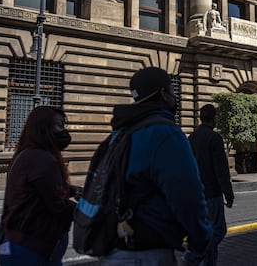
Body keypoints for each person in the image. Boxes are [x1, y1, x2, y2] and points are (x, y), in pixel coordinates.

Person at [99, 67, 212, 265]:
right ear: (163, 93)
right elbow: (188, 196)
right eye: (172, 90)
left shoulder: (117, 135)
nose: (175, 96)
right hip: (148, 251)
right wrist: (201, 240)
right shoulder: (166, 133)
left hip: (114, 249)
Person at [0, 106, 82, 265]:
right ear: (43, 128)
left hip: (17, 246)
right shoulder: (42, 159)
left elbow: (40, 191)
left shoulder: (26, 154)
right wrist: (92, 209)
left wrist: (71, 190)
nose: (63, 131)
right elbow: (59, 205)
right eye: (59, 125)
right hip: (31, 251)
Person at [188, 104, 235, 266]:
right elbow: (221, 169)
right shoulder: (214, 138)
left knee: (206, 230)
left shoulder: (191, 137)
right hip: (212, 193)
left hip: (196, 193)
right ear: (214, 118)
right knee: (218, 230)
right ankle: (194, 255)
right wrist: (228, 194)